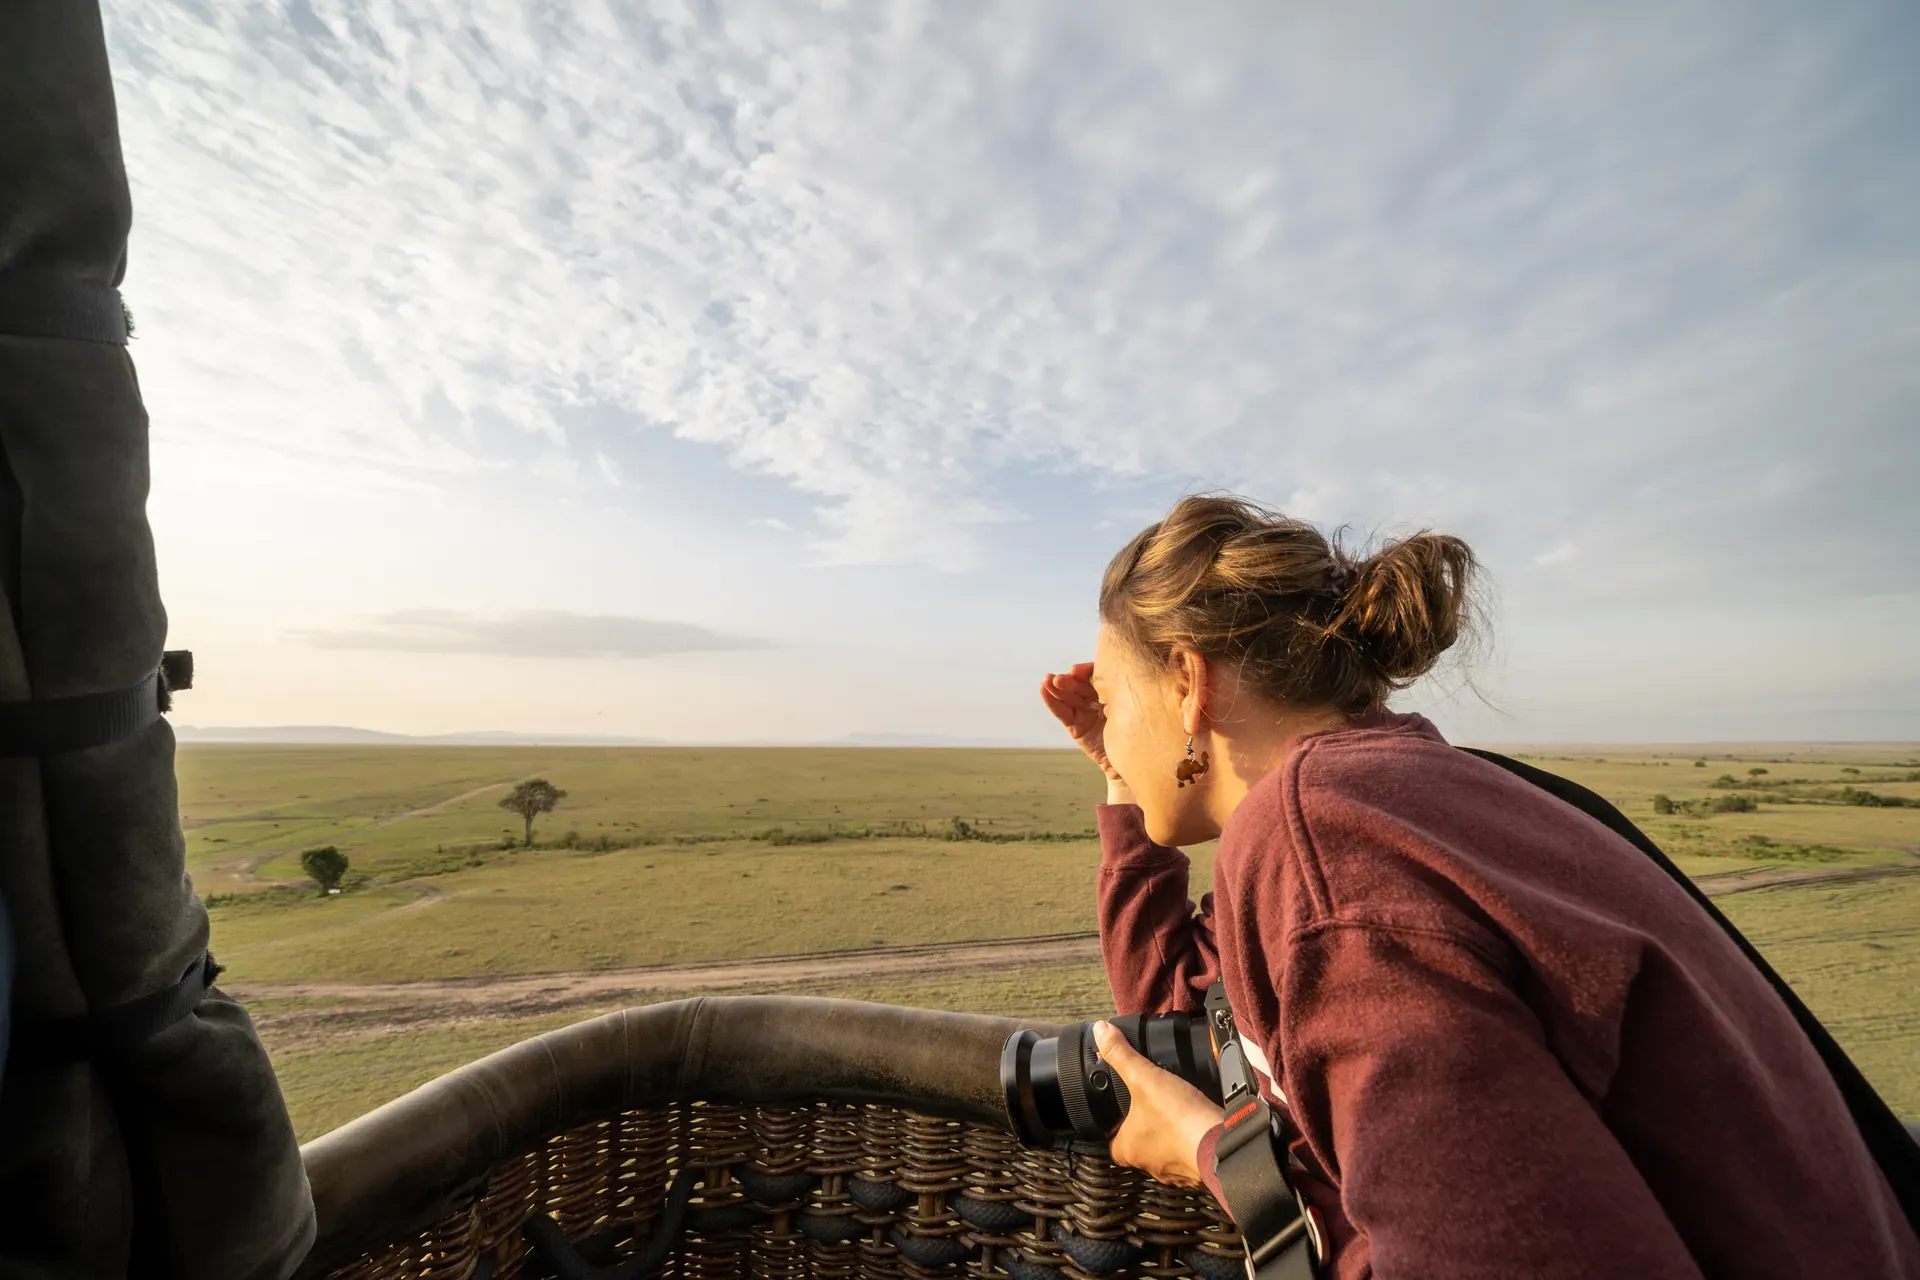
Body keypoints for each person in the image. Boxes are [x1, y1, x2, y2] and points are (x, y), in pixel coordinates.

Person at [1039, 493, 1920, 1280]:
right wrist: (1123, 780)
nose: (1108, 733)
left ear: (1189, 682)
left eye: (1114, 700)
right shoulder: (1389, 798)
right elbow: (1186, 1016)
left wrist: (1215, 1157)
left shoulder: (1325, 845)